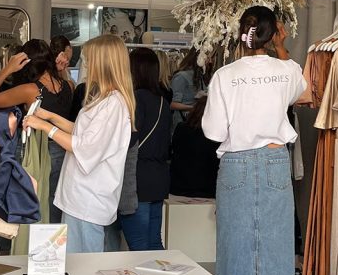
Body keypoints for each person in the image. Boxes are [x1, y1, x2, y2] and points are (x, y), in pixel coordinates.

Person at [202, 6, 306, 275]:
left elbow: (213, 131)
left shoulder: (225, 76)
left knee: (235, 256)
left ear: (241, 33)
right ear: (274, 33)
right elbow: (303, 91)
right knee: (277, 257)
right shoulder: (287, 70)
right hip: (276, 161)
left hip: (237, 164)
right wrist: (281, 47)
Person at [23, 34, 134, 253]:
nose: (86, 65)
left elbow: (84, 147)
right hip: (78, 197)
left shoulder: (113, 104)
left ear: (103, 63)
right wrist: (50, 116)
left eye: (88, 59)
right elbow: (82, 132)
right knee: (75, 265)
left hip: (89, 200)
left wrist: (46, 127)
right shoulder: (103, 99)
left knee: (85, 269)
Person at [0, 39, 73, 224]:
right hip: (62, 151)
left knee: (26, 203)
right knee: (53, 205)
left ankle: (23, 247)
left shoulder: (30, 90)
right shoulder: (68, 86)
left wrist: (7, 69)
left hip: (36, 152)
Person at [119, 47, 172, 251]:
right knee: (154, 242)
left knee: (138, 246)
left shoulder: (135, 100)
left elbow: (130, 139)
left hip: (137, 179)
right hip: (158, 178)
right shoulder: (162, 102)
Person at [170, 94, 219, 198]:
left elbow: (173, 150)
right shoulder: (215, 134)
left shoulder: (181, 128)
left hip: (178, 186)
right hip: (207, 189)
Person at [170, 47, 206, 131]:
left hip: (195, 123)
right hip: (183, 124)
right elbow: (173, 104)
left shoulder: (200, 76)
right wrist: (194, 107)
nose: (209, 61)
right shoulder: (181, 76)